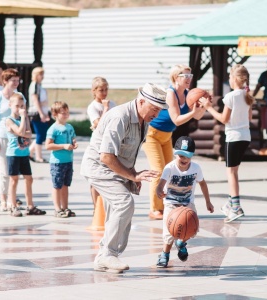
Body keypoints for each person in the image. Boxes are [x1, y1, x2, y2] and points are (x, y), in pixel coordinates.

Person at [80, 82, 167, 273]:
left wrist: (131, 176)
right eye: (155, 109)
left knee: (118, 211)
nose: (157, 114)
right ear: (141, 101)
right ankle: (107, 255)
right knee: (124, 203)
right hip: (99, 167)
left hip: (114, 168)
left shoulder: (144, 120)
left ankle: (105, 256)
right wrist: (133, 176)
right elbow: (106, 156)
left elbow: (127, 152)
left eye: (160, 110)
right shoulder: (120, 117)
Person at [142, 64, 207, 220]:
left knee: (170, 171)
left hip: (166, 136)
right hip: (152, 134)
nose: (189, 79)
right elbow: (177, 120)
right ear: (176, 77)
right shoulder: (171, 93)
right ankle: (155, 209)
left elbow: (196, 117)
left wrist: (204, 106)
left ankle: (167, 205)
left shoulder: (187, 94)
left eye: (190, 76)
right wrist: (192, 112)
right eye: (186, 76)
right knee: (158, 170)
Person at [199, 64, 254, 223]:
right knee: (234, 171)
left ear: (235, 79)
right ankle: (231, 203)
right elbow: (249, 118)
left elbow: (224, 119)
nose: (229, 80)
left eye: (230, 77)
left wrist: (208, 107)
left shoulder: (231, 96)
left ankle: (235, 207)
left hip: (234, 137)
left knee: (231, 173)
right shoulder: (246, 95)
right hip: (245, 136)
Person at [155, 136, 214, 268]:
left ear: (192, 156)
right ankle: (165, 255)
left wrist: (208, 202)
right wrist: (159, 190)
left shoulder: (196, 168)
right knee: (168, 232)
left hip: (187, 204)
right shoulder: (169, 168)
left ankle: (181, 243)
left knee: (192, 229)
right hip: (171, 203)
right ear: (176, 153)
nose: (183, 159)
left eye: (187, 156)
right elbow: (161, 184)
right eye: (180, 155)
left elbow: (203, 184)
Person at [5, 93, 46, 217]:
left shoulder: (24, 117)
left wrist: (24, 120)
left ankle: (30, 206)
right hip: (13, 154)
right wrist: (23, 118)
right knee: (14, 180)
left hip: (24, 153)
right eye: (17, 106)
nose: (20, 108)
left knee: (29, 178)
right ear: (10, 105)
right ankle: (12, 206)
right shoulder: (9, 120)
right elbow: (21, 131)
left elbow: (28, 134)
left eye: (22, 106)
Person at [0, 68, 26, 211]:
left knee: (14, 170)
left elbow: (24, 116)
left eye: (17, 80)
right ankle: (3, 199)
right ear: (5, 81)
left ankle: (12, 199)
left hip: (17, 137)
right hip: (2, 136)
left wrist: (26, 135)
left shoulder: (20, 96)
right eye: (13, 80)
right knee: (4, 169)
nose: (16, 83)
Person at [87, 77, 116, 210]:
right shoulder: (93, 107)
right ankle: (96, 207)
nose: (104, 93)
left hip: (110, 143)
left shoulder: (113, 104)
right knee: (95, 177)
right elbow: (99, 124)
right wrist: (105, 108)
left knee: (109, 175)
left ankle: (107, 205)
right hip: (98, 144)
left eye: (106, 89)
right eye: (101, 90)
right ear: (94, 91)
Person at [45, 101, 78, 218]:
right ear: (55, 115)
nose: (66, 115)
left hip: (68, 161)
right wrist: (63, 146)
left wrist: (74, 143)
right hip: (57, 162)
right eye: (63, 113)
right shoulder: (53, 129)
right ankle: (57, 208)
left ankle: (65, 207)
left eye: (67, 113)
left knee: (65, 185)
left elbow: (73, 138)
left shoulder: (69, 127)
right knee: (57, 186)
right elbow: (48, 145)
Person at [28, 67, 50, 163]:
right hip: (36, 113)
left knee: (43, 134)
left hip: (42, 112)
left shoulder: (39, 85)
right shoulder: (34, 85)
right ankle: (38, 156)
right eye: (40, 74)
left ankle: (29, 152)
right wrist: (41, 113)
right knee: (40, 134)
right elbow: (35, 100)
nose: (42, 77)